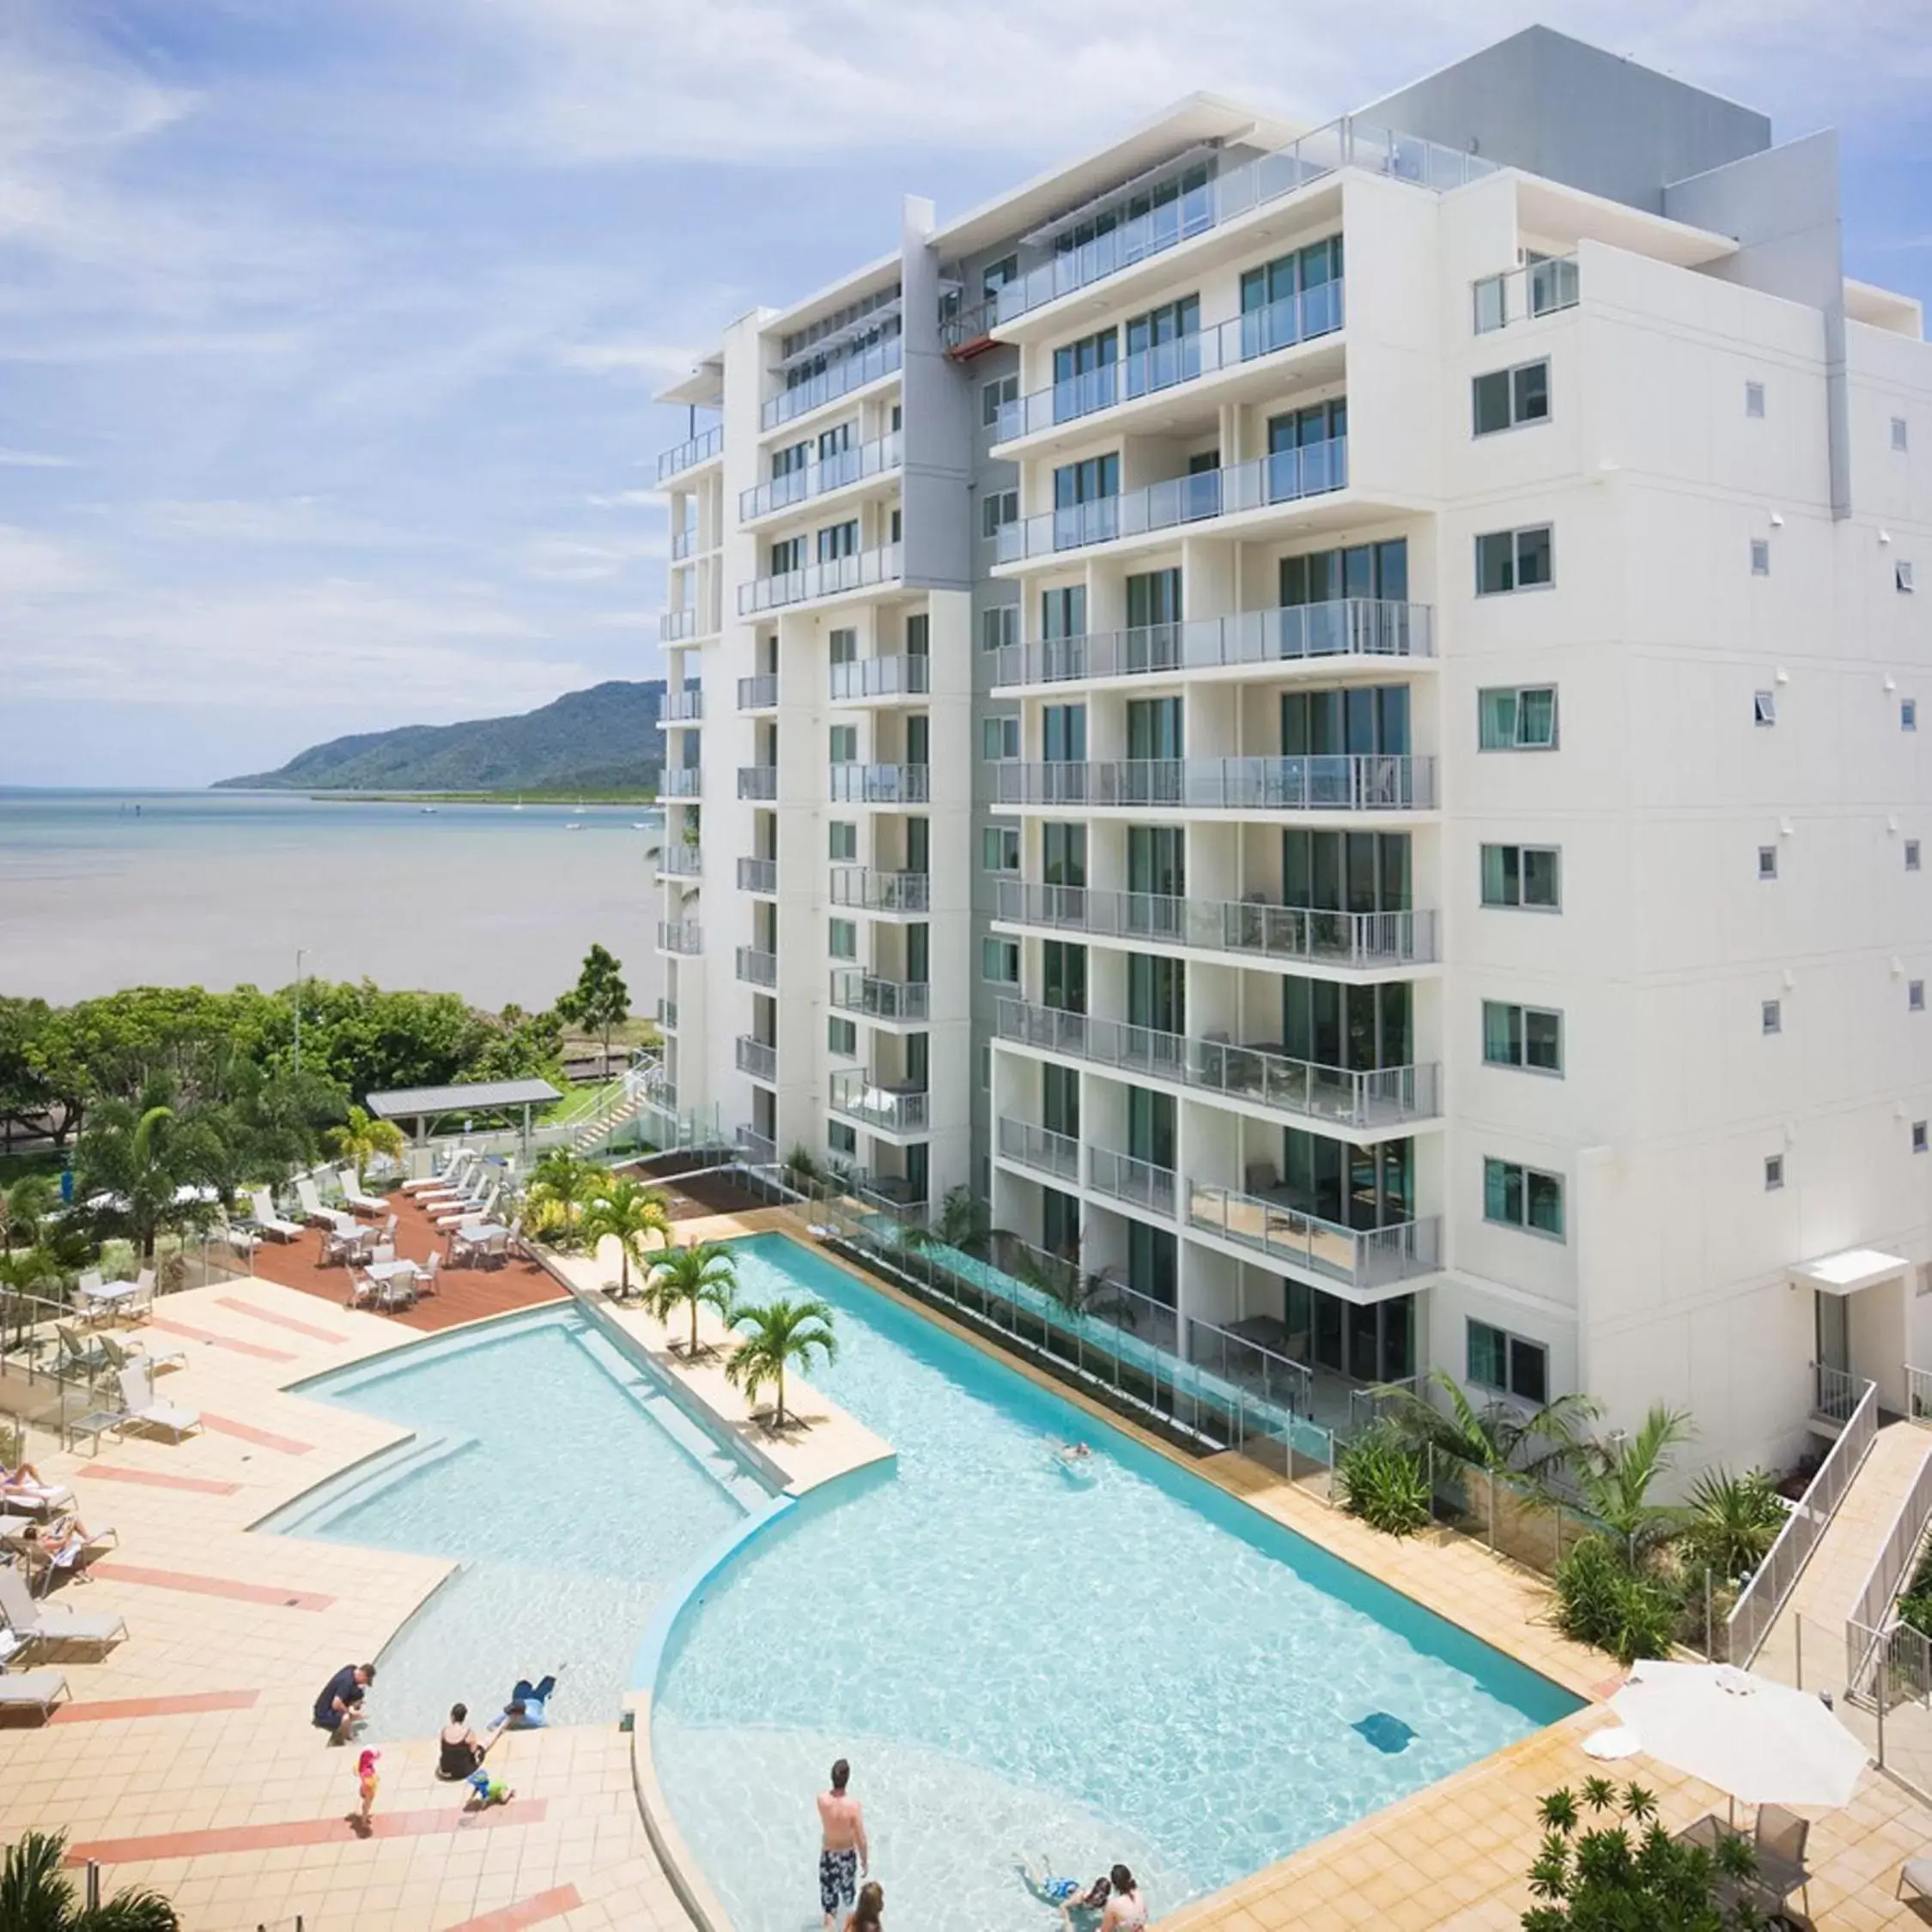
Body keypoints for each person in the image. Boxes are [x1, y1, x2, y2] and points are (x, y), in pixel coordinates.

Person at [817, 1757, 868, 1932]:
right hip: (847, 1858)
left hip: (828, 1855)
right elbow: (861, 1838)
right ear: (848, 1779)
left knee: (829, 1909)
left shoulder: (822, 1800)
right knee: (847, 1906)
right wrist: (864, 1861)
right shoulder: (854, 1806)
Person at [1018, 1857, 1111, 1919]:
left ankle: (1046, 1862)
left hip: (1072, 1887)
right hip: (1062, 1890)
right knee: (1039, 1883)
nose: (1100, 1900)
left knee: (1053, 1878)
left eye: (1103, 1897)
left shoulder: (1103, 1902)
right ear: (1094, 1892)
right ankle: (1026, 1861)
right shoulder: (1080, 1898)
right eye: (1099, 1897)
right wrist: (1067, 1921)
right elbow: (1062, 1906)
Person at [313, 1662, 375, 1742]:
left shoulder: (351, 1668)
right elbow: (336, 1704)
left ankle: (351, 1715)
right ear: (363, 1675)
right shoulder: (347, 1683)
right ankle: (348, 1738)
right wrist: (349, 1712)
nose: (364, 1683)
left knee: (358, 1694)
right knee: (346, 1718)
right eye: (365, 1681)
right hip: (323, 1714)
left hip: (326, 1704)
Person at [488, 1671, 559, 1733]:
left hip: (537, 1700)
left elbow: (547, 1726)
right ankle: (526, 1670)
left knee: (550, 1680)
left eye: (514, 1715)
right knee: (522, 1683)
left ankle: (558, 1670)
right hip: (521, 1698)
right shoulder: (507, 1714)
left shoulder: (532, 1719)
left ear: (522, 1715)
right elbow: (490, 1726)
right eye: (510, 1714)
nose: (511, 1717)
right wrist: (503, 1731)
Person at [438, 1703, 485, 1780]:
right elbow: (473, 1751)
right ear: (464, 1717)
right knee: (481, 1750)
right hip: (462, 1772)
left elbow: (442, 1749)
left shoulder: (444, 1730)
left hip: (445, 1770)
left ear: (452, 1716)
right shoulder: (468, 1732)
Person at [353, 1748, 379, 1836]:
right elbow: (369, 1782)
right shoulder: (367, 1771)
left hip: (366, 1788)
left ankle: (365, 1817)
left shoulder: (363, 1766)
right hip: (369, 1789)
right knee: (367, 1805)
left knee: (367, 1804)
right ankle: (364, 1821)